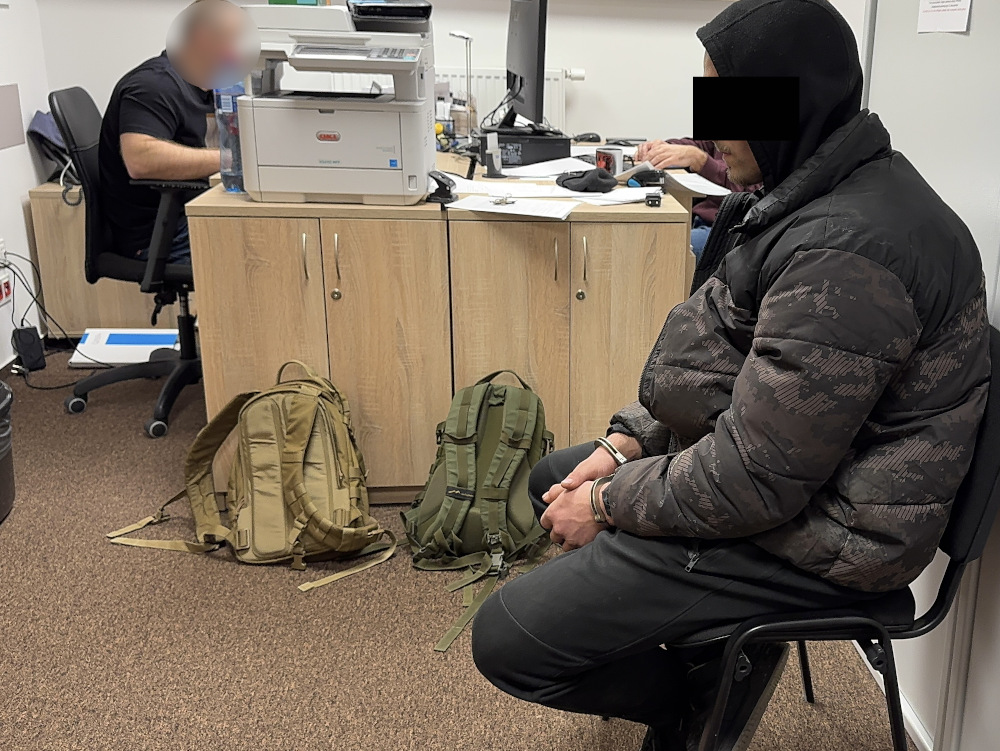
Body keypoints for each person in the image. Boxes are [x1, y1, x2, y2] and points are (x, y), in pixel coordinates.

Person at [471, 2, 992, 750]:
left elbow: (753, 479)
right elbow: (728, 362)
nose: (708, 132)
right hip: (800, 480)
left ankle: (701, 697)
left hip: (834, 536)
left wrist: (610, 501)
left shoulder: (849, 255)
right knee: (554, 477)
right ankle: (714, 651)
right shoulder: (815, 190)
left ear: (795, 102)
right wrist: (626, 443)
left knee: (509, 639)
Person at [98, 0, 247, 264]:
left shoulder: (208, 86)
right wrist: (231, 159)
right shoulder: (153, 85)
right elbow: (140, 159)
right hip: (160, 235)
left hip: (191, 211)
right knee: (268, 240)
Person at [636, 138, 760, 261]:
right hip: (703, 220)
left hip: (734, 228)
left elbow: (750, 192)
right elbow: (703, 144)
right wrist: (665, 147)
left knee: (659, 246)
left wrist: (701, 161)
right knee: (644, 237)